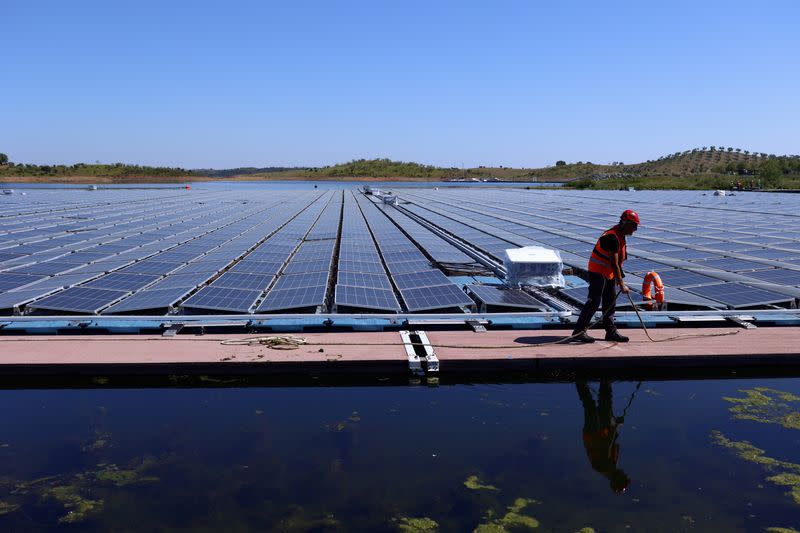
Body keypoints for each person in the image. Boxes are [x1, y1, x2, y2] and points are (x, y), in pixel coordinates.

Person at [572, 209, 639, 343]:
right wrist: (621, 284)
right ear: (625, 223)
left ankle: (611, 332)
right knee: (594, 301)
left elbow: (617, 263)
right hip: (598, 272)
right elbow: (613, 262)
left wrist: (618, 278)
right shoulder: (612, 237)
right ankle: (579, 332)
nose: (635, 230)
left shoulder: (620, 236)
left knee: (610, 302)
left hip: (608, 273)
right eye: (634, 226)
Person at [576, 380, 631, 494]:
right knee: (605, 402)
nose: (625, 474)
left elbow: (605, 443)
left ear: (617, 479)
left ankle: (580, 380)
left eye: (624, 477)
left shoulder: (603, 466)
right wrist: (616, 424)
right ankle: (605, 381)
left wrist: (615, 425)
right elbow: (612, 439)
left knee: (590, 406)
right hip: (603, 430)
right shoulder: (612, 465)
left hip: (593, 432)